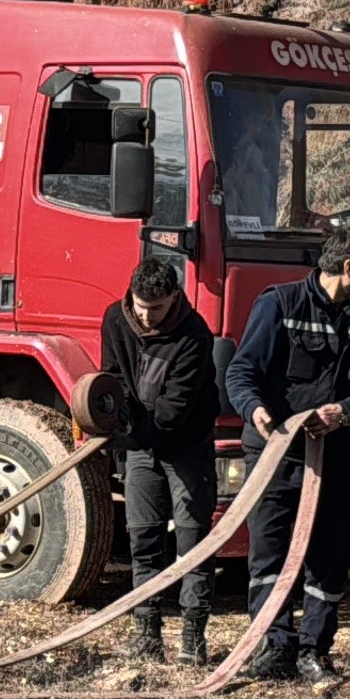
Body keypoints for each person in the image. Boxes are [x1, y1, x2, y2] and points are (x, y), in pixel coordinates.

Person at [222, 221, 350, 685]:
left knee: (330, 553)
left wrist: (347, 411)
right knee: (270, 555)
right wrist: (255, 410)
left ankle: (314, 650)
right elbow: (242, 372)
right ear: (347, 267)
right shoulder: (279, 304)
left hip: (334, 456)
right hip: (277, 456)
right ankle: (272, 648)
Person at [99, 256, 223, 666]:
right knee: (144, 539)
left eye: (156, 308)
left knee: (193, 541)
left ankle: (192, 635)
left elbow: (175, 410)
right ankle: (147, 632)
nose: (147, 317)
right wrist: (113, 419)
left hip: (185, 445)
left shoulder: (194, 335)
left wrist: (132, 435)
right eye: (140, 306)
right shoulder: (116, 320)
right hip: (140, 446)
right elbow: (114, 375)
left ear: (175, 297)